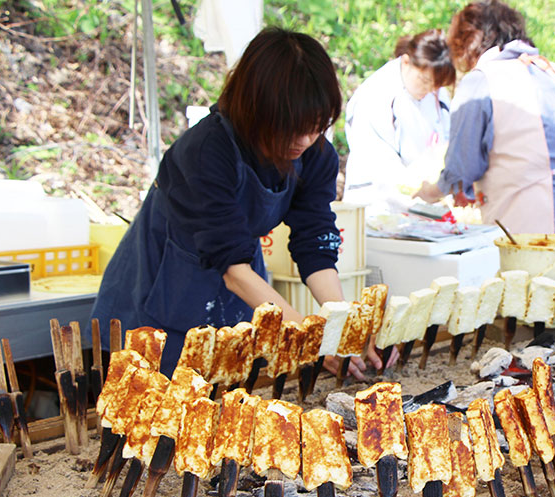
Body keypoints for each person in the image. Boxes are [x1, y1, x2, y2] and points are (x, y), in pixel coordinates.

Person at [92, 28, 384, 379]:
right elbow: (233, 270)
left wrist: (344, 326)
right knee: (156, 408)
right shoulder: (205, 151)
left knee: (230, 397)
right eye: (293, 129)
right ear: (258, 109)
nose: (306, 140)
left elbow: (314, 243)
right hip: (163, 288)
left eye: (317, 126)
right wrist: (312, 340)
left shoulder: (315, 153)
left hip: (238, 284)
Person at [414, 0, 555, 236]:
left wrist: (433, 191)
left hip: (528, 218)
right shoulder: (549, 71)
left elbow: (463, 165)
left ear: (472, 38)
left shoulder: (482, 80)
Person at [343, 30, 456, 216]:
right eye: (425, 81)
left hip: (424, 204)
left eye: (436, 85)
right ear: (406, 62)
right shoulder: (376, 95)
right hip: (377, 204)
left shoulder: (437, 94)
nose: (429, 90)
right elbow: (379, 166)